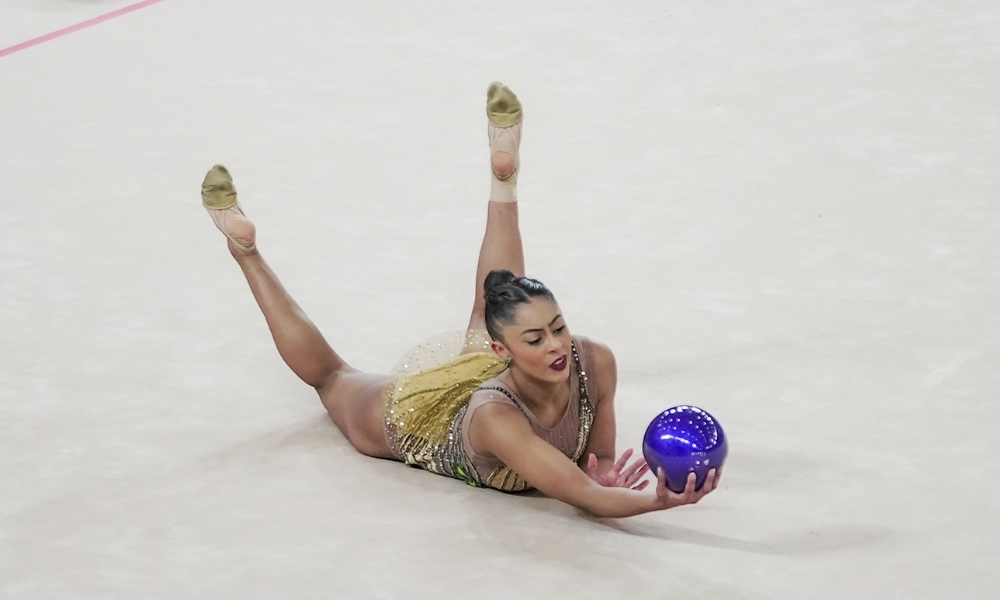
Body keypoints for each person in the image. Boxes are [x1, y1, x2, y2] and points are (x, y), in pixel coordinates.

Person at [200, 82, 721, 518]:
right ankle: (245, 252)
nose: (558, 345)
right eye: (536, 339)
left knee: (491, 306)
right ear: (502, 354)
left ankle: (505, 179)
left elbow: (598, 460)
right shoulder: (496, 420)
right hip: (424, 422)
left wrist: (607, 466)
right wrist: (656, 502)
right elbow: (580, 493)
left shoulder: (596, 361)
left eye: (558, 327)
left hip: (495, 370)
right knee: (331, 377)